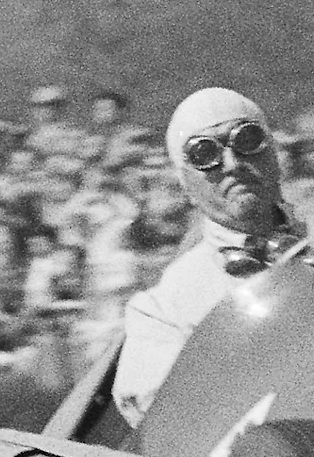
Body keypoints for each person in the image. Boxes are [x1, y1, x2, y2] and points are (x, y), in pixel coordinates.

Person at [113, 88, 297, 424]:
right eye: (204, 154)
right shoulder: (164, 309)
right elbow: (175, 427)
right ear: (185, 183)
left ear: (274, 155)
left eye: (248, 140)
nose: (232, 164)